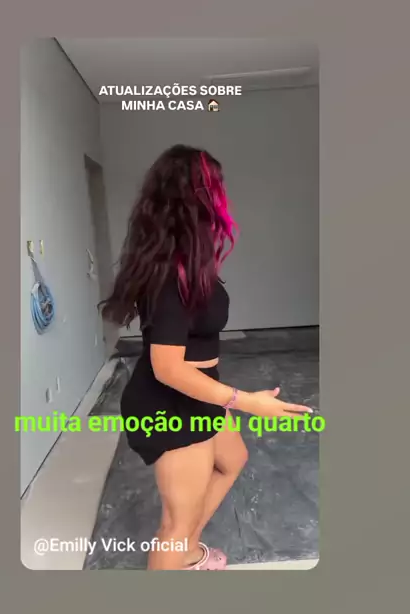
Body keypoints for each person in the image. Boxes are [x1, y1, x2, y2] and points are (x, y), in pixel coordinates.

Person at [99, 144, 312, 570]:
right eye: (215, 187)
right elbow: (167, 367)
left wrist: (223, 397)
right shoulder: (170, 277)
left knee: (232, 460)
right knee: (174, 524)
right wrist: (245, 401)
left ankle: (189, 552)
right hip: (170, 402)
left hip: (198, 393)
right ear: (194, 198)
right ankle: (178, 558)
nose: (221, 198)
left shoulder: (184, 263)